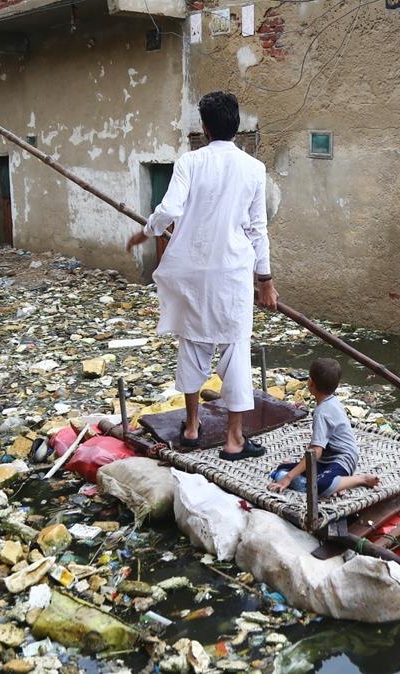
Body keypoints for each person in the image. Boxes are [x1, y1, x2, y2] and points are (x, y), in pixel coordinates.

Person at [126, 91, 278, 461]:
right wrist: (266, 281)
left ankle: (192, 428)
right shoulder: (253, 169)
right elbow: (258, 229)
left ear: (205, 127)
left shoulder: (189, 162)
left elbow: (170, 209)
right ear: (236, 126)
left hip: (192, 270)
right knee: (235, 346)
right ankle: (234, 439)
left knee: (193, 342)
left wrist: (146, 230)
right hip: (231, 272)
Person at [268, 358, 379, 497]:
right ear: (337, 385)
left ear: (310, 382)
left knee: (318, 486)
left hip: (342, 460)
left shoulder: (322, 413)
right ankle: (339, 483)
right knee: (281, 470)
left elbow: (316, 452)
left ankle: (360, 479)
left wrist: (289, 478)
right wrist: (294, 469)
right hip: (327, 461)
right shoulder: (332, 402)